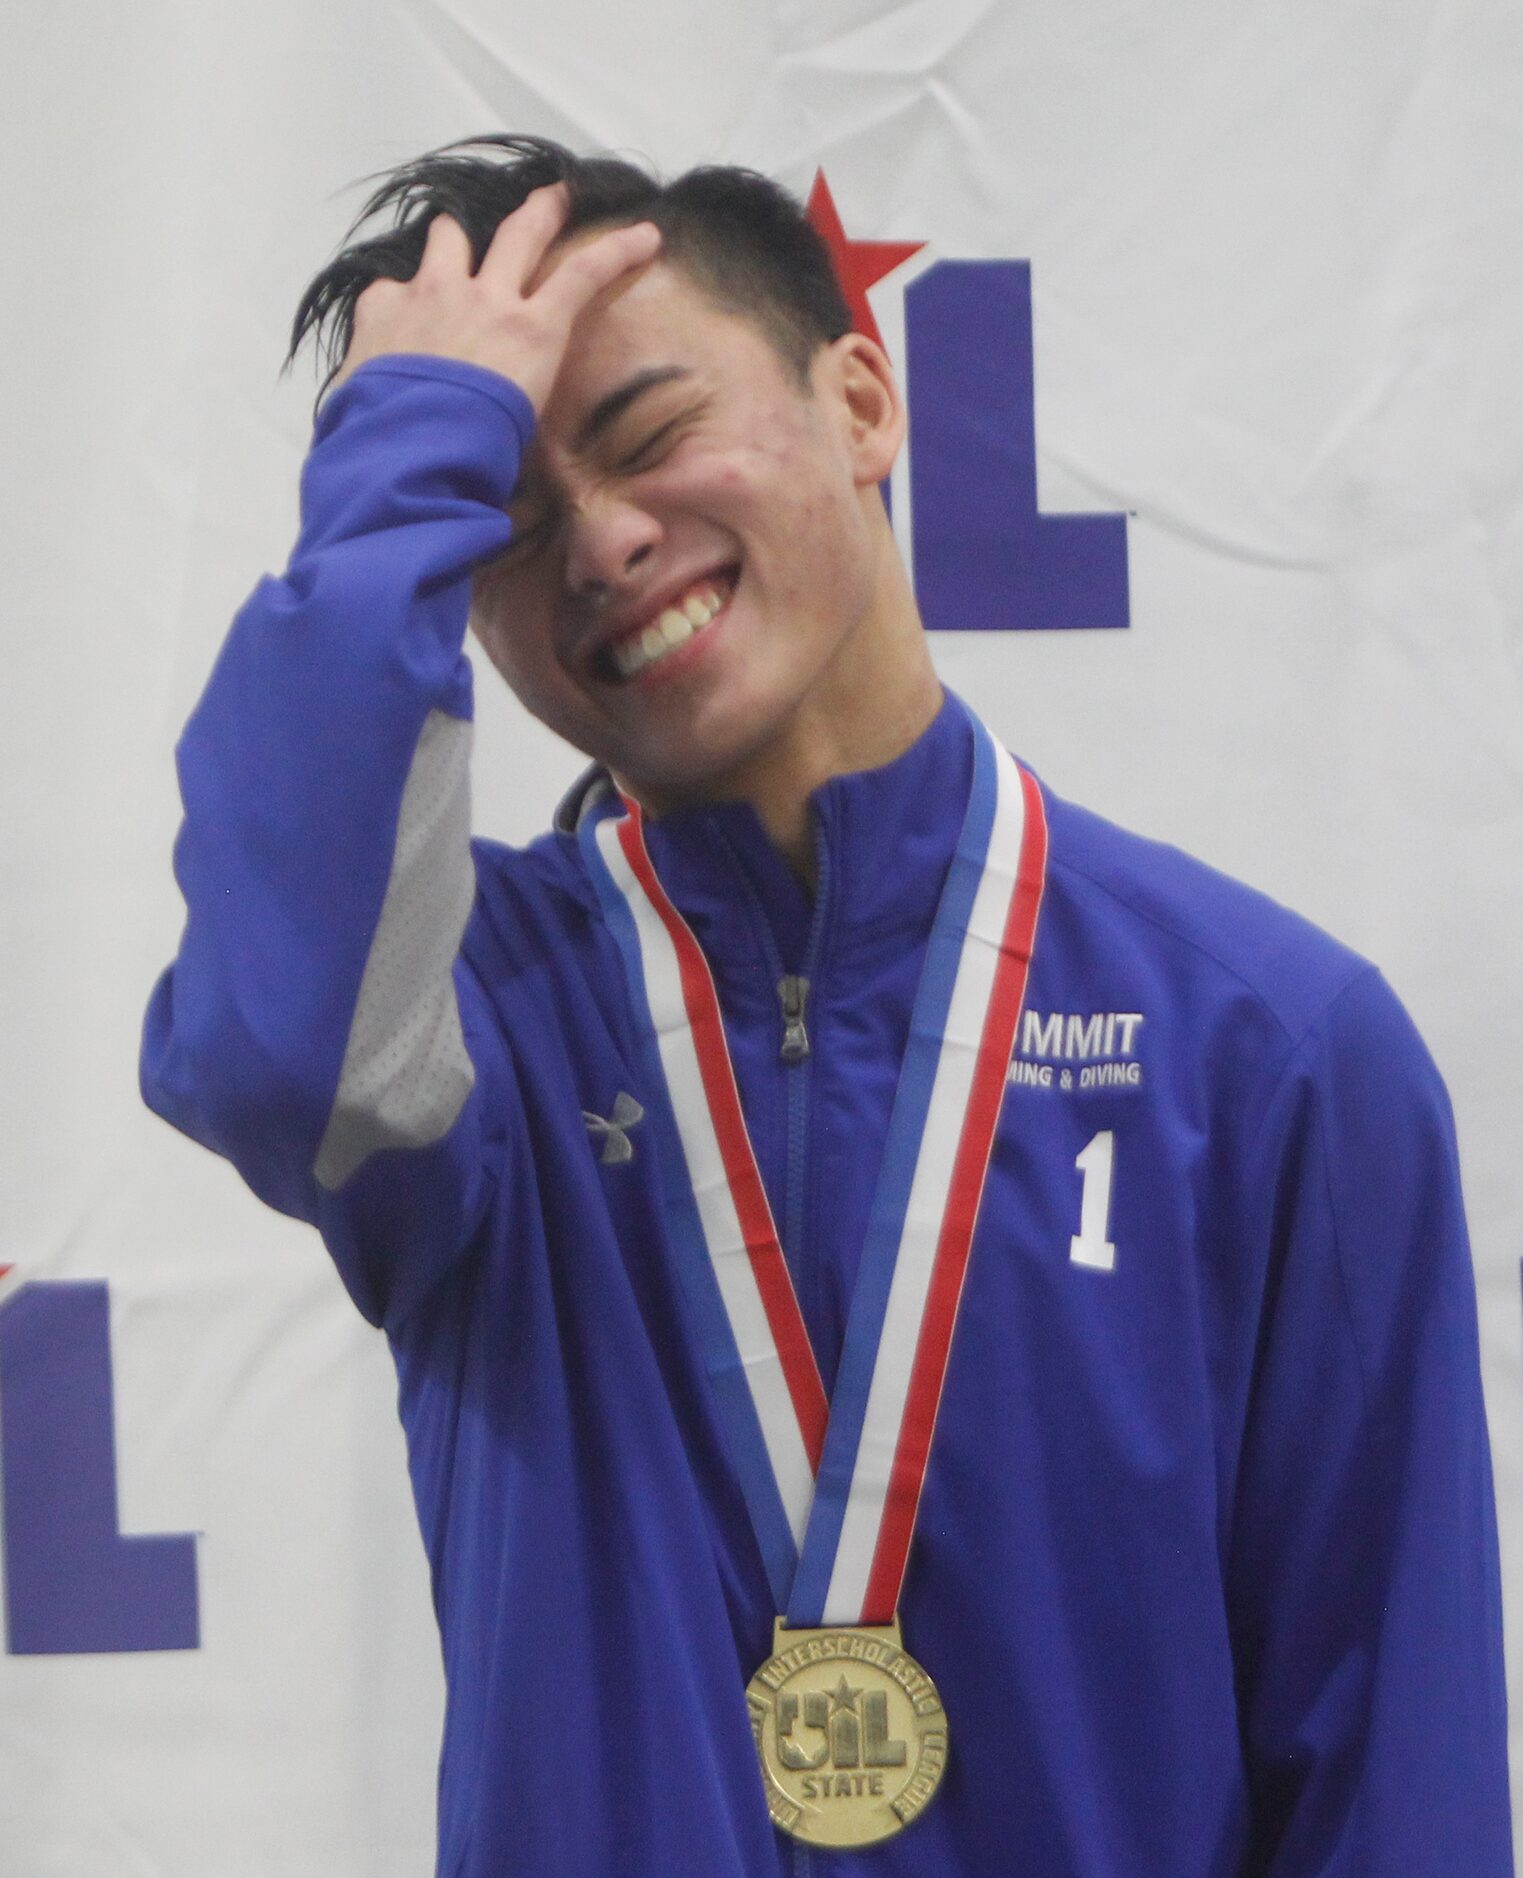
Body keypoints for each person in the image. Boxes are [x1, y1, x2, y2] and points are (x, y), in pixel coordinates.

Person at [140, 134, 1513, 1876]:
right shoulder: (477, 1030)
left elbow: (1399, 1781)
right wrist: (408, 446)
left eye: (645, 439)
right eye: (507, 516)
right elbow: (271, 1049)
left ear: (862, 399)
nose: (604, 544)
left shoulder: (1270, 1045)